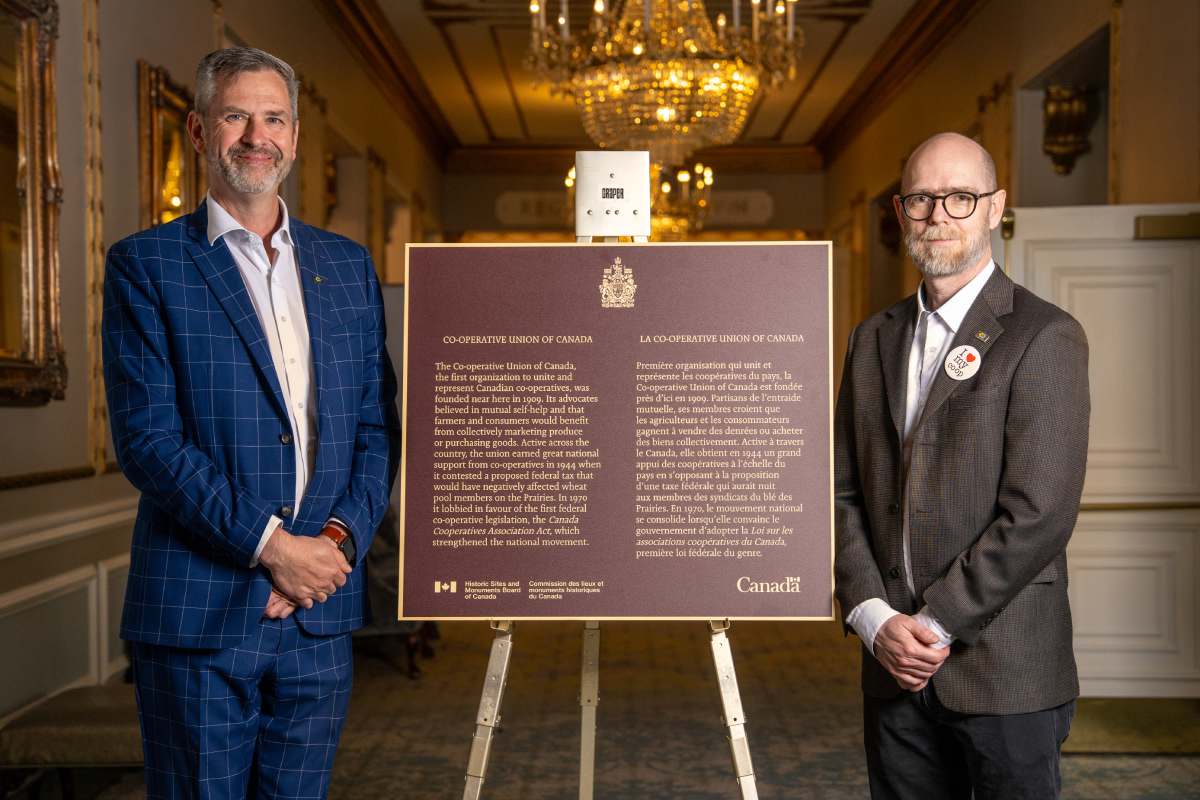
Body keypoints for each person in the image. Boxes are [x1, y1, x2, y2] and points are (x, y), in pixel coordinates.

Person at [102, 47, 400, 798]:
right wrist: (273, 550)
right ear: (201, 132)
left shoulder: (348, 266)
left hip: (316, 618)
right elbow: (148, 441)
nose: (255, 136)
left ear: (295, 136)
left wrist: (329, 549)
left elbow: (374, 428)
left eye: (273, 118)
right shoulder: (148, 264)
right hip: (199, 613)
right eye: (236, 115)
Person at [834, 132, 1090, 799]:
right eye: (922, 198)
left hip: (1006, 670)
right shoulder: (871, 340)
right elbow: (840, 491)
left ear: (994, 207)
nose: (938, 214)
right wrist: (871, 616)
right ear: (900, 213)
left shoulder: (1044, 336)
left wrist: (935, 622)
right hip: (891, 666)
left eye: (960, 197)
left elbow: (1039, 512)